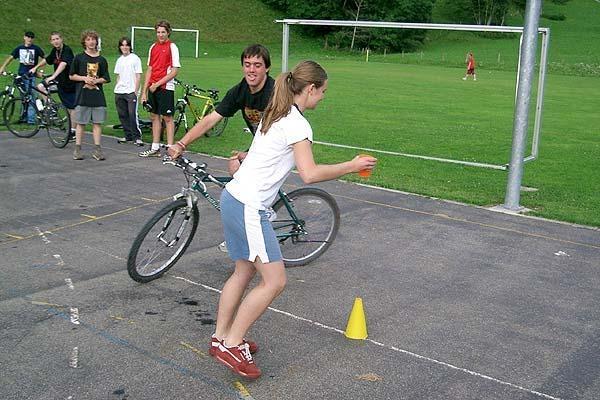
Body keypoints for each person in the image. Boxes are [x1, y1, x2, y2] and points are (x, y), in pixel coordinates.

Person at [186, 60, 376, 379]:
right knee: (275, 281)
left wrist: (246, 160)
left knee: (243, 271)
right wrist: (351, 166)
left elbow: (264, 152)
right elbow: (309, 174)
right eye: (323, 92)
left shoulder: (277, 111)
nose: (323, 98)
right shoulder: (298, 124)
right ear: (310, 89)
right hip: (248, 206)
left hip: (235, 198)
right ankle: (232, 345)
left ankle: (221, 338)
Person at [167, 43, 275, 171]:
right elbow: (210, 120)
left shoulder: (275, 93)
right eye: (247, 65)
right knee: (236, 166)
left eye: (257, 65)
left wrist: (252, 155)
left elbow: (283, 134)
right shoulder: (239, 91)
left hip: (282, 147)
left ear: (267, 68)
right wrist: (181, 144)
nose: (251, 70)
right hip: (263, 145)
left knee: (241, 170)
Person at [138, 20, 181, 157]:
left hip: (165, 87)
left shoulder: (172, 47)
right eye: (158, 32)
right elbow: (149, 70)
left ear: (168, 32)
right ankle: (155, 147)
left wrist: (157, 84)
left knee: (167, 118)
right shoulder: (153, 47)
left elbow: (174, 71)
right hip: (152, 88)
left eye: (163, 32)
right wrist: (144, 92)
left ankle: (170, 149)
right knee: (154, 116)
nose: (160, 35)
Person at [69, 30, 110, 161]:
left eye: (93, 39)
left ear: (96, 41)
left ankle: (97, 149)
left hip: (97, 96)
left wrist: (96, 81)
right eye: (88, 39)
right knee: (81, 123)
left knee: (97, 123)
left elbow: (106, 77)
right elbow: (72, 75)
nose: (91, 42)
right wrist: (84, 78)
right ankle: (78, 149)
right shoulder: (79, 58)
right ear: (84, 42)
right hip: (83, 95)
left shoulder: (101, 59)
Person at [31, 31, 77, 136]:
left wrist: (53, 76)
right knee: (40, 86)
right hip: (59, 81)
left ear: (61, 39)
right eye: (53, 39)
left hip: (69, 83)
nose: (56, 41)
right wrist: (35, 68)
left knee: (71, 108)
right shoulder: (55, 51)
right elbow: (47, 60)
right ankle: (52, 109)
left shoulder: (67, 50)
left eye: (57, 39)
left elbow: (63, 64)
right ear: (51, 42)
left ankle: (73, 132)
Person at [0, 31, 45, 124]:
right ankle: (23, 117)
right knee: (23, 97)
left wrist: (39, 70)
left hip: (30, 76)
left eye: (31, 37)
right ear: (24, 37)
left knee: (31, 96)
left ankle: (31, 119)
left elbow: (45, 58)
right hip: (21, 75)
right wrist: (3, 67)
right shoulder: (19, 48)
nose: (29, 39)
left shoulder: (36, 48)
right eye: (28, 37)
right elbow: (10, 58)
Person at [114, 37, 144, 146]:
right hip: (120, 91)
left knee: (132, 114)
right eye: (122, 45)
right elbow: (118, 76)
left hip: (131, 91)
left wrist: (135, 91)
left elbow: (138, 76)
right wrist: (118, 87)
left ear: (130, 47)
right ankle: (128, 136)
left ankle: (137, 137)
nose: (125, 47)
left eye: (127, 45)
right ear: (120, 47)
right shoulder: (119, 59)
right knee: (123, 115)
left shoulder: (135, 58)